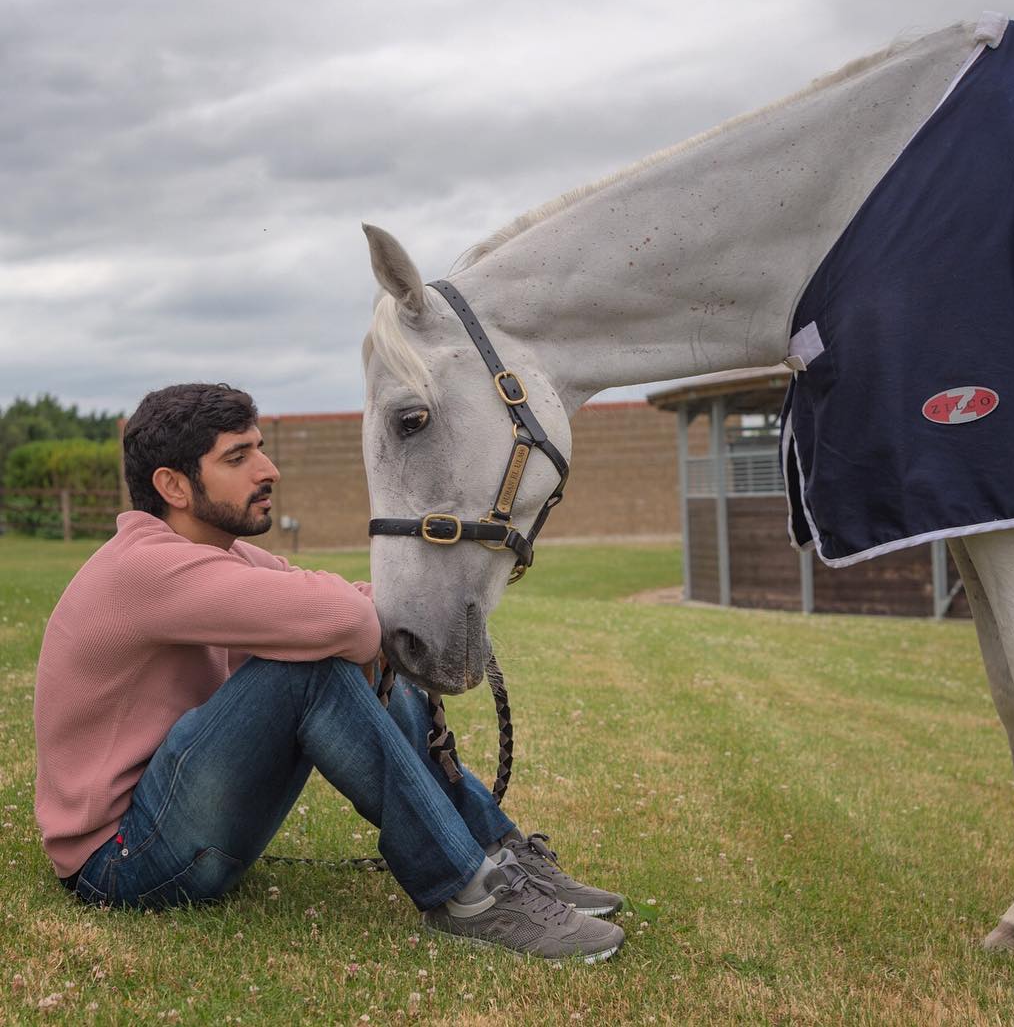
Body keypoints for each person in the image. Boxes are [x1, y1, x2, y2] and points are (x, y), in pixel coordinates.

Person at [33, 382, 623, 962]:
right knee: (309, 667)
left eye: (259, 448)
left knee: (336, 645)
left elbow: (331, 599)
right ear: (173, 485)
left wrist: (405, 617)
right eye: (237, 457)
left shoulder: (221, 554)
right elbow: (338, 619)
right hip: (120, 863)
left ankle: (496, 852)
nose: (268, 469)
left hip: (173, 825)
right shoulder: (147, 568)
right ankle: (470, 895)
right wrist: (379, 625)